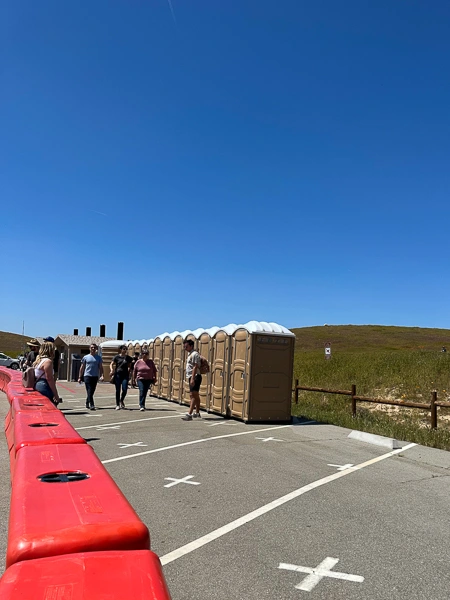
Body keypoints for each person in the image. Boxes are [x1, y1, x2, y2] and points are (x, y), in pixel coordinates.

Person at [33, 341, 62, 406]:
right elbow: (49, 379)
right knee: (50, 406)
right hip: (44, 386)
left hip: (38, 385)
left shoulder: (39, 360)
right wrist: (56, 394)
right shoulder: (48, 361)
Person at [78, 344, 103, 410]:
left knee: (92, 391)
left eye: (94, 347)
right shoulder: (85, 357)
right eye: (92, 347)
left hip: (95, 376)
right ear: (89, 348)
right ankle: (92, 404)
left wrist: (102, 375)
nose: (93, 349)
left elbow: (100, 367)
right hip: (87, 376)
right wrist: (79, 377)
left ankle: (87, 401)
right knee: (89, 390)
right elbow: (82, 367)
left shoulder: (98, 357)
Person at [181, 339, 202, 421]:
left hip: (195, 376)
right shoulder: (190, 354)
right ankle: (197, 413)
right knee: (195, 395)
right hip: (191, 376)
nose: (185, 348)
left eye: (186, 346)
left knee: (193, 394)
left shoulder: (195, 354)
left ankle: (189, 414)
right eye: (184, 346)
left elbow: (195, 366)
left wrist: (192, 378)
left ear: (191, 346)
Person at [110, 345, 133, 410]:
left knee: (125, 389)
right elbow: (111, 364)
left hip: (125, 375)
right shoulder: (116, 357)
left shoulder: (128, 358)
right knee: (118, 390)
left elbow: (129, 365)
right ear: (120, 350)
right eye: (123, 349)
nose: (125, 350)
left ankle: (121, 400)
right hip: (118, 375)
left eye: (126, 349)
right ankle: (117, 404)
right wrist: (112, 370)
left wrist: (129, 370)